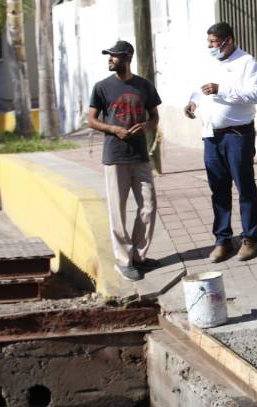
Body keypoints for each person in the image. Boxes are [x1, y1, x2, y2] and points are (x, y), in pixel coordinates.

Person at [184, 22, 257, 262]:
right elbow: (200, 89)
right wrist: (193, 102)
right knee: (218, 189)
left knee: (244, 187)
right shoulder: (209, 62)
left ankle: (250, 238)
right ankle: (223, 240)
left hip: (237, 135)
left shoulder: (246, 62)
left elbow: (255, 95)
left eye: (213, 42)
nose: (210, 46)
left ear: (228, 40)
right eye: (208, 42)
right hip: (211, 136)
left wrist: (221, 89)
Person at [88, 40, 161, 282]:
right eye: (109, 56)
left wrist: (146, 126)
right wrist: (113, 129)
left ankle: (139, 256)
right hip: (115, 156)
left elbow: (154, 116)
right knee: (117, 211)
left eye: (115, 56)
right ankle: (123, 261)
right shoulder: (102, 87)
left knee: (149, 205)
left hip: (140, 156)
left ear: (128, 57)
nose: (110, 59)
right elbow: (91, 120)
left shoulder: (144, 85)